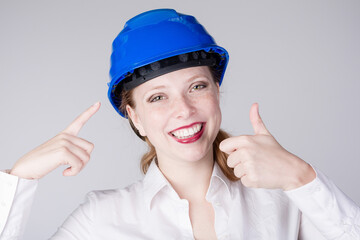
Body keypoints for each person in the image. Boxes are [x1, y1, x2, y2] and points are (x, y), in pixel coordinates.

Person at [0, 8, 359, 240]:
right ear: (135, 117)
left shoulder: (283, 199)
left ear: (217, 92)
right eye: (158, 97)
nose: (184, 110)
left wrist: (302, 177)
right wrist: (19, 178)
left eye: (197, 87)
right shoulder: (100, 220)